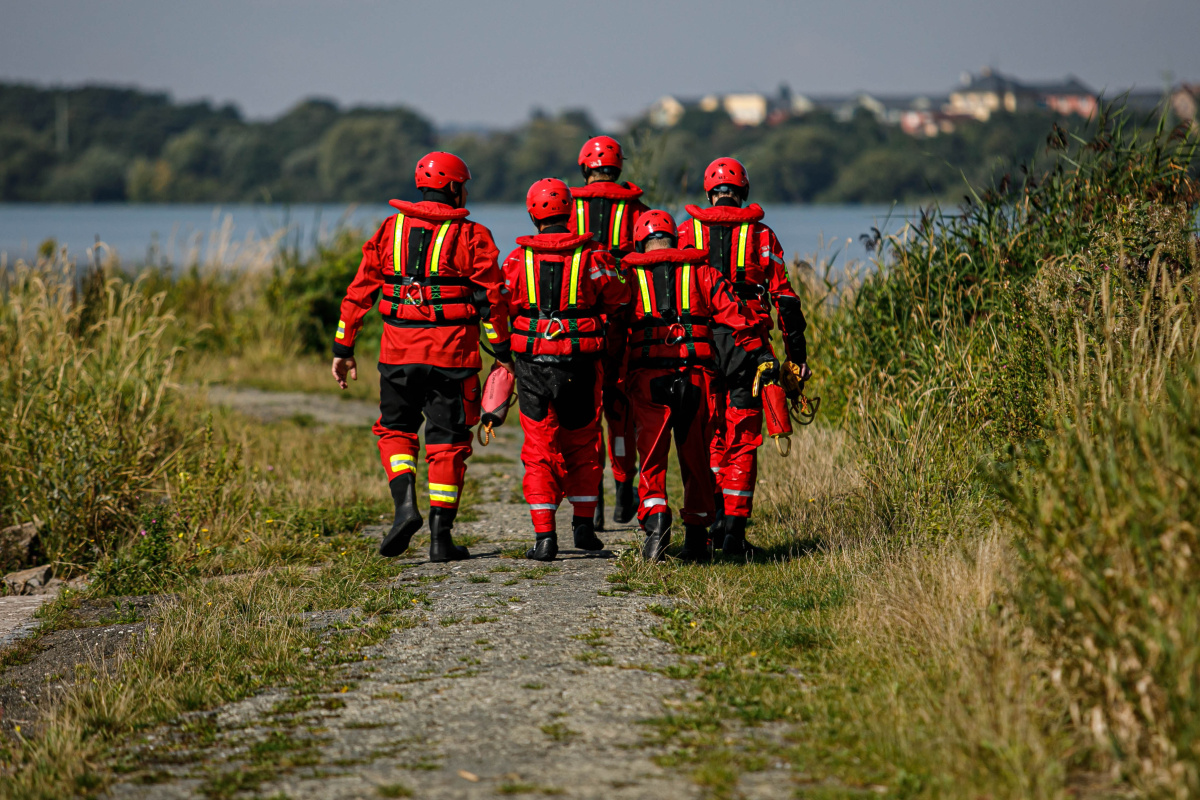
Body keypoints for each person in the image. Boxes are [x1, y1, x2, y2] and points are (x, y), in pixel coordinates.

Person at [331, 151, 512, 563]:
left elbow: (358, 292)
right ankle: (440, 539)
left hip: (397, 354)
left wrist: (343, 347)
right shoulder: (472, 236)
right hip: (453, 358)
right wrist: (502, 352)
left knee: (395, 431)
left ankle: (404, 508)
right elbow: (492, 300)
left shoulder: (389, 230)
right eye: (463, 185)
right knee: (447, 444)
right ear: (453, 187)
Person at [618, 209, 776, 562]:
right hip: (695, 378)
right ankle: (696, 540)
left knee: (653, 460)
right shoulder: (703, 272)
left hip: (648, 381)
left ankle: (656, 527)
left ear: (640, 241)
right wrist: (763, 354)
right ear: (675, 238)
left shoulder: (628, 274)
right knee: (697, 461)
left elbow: (615, 329)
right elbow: (737, 316)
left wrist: (614, 377)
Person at [678, 157, 810, 557]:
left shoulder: (685, 232)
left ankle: (708, 526)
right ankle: (733, 533)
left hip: (699, 346)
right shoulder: (763, 238)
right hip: (749, 349)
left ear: (709, 193)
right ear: (744, 192)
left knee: (708, 437)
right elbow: (785, 300)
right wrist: (796, 356)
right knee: (744, 438)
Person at [501, 178, 631, 561]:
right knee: (584, 444)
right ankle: (584, 526)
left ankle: (544, 538)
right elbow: (621, 296)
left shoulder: (516, 259)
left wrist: (500, 351)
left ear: (532, 215)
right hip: (581, 365)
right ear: (570, 212)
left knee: (539, 448)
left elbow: (498, 303)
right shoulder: (593, 257)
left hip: (531, 366)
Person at [569, 136, 649, 531]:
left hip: (579, 325)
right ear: (619, 168)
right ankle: (624, 487)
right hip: (624, 321)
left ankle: (593, 500)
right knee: (621, 408)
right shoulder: (638, 211)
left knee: (587, 412)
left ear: (586, 167)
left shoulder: (566, 207)